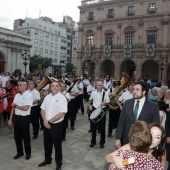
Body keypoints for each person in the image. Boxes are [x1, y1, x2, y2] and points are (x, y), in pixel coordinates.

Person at [115, 81, 160, 148]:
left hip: (143, 142)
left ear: (144, 92)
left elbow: (155, 125)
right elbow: (122, 121)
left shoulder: (153, 106)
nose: (134, 92)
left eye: (137, 90)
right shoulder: (127, 103)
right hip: (126, 140)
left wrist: (153, 142)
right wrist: (118, 138)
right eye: (134, 89)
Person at [38, 81, 67, 170]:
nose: (54, 87)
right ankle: (47, 159)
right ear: (50, 87)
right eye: (52, 86)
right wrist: (45, 121)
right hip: (46, 124)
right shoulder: (47, 97)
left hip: (56, 125)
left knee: (57, 145)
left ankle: (59, 163)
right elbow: (42, 110)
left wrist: (49, 122)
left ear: (59, 87)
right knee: (47, 143)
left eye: (56, 86)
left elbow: (61, 114)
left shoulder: (62, 98)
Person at [8, 81, 33, 160]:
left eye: (20, 85)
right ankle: (20, 152)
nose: (18, 86)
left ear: (25, 87)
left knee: (26, 137)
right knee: (17, 137)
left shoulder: (29, 95)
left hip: (25, 118)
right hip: (17, 118)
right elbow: (13, 108)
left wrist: (16, 105)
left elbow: (25, 108)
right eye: (19, 85)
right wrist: (10, 119)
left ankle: (28, 153)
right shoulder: (17, 95)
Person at [88, 81, 110, 148]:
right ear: (96, 86)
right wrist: (89, 105)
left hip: (102, 110)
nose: (101, 86)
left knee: (102, 128)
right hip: (94, 110)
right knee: (93, 127)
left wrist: (104, 104)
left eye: (101, 85)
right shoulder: (93, 93)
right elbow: (90, 100)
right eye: (99, 85)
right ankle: (93, 141)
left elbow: (108, 103)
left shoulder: (105, 93)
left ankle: (102, 142)